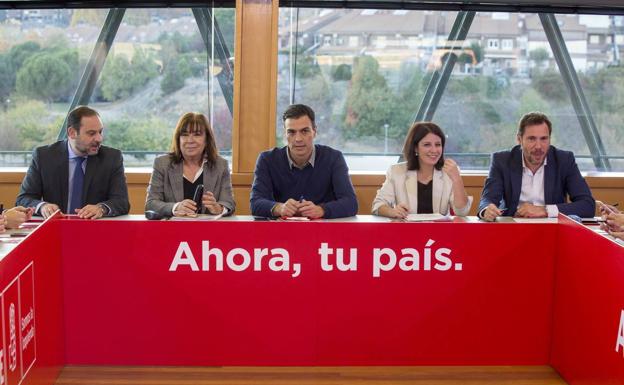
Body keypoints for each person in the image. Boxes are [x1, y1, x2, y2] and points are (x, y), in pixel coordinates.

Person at [15, 105, 130, 219]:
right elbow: (23, 199)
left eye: (100, 132)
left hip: (95, 229)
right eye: (91, 133)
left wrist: (101, 208)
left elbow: (122, 202)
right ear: (71, 132)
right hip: (56, 229)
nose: (99, 138)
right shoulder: (44, 157)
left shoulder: (112, 158)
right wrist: (43, 206)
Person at [478, 112, 594, 221]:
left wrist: (545, 210)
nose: (538, 146)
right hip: (514, 230)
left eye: (544, 139)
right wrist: (487, 210)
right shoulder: (502, 160)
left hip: (553, 232)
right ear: (519, 139)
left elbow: (587, 205)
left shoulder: (564, 160)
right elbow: (488, 199)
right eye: (532, 139)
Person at [250, 104, 358, 219]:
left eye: (304, 131)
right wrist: (279, 208)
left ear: (314, 132)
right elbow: (255, 203)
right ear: (285, 134)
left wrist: (322, 210)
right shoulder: (267, 159)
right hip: (281, 231)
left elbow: (351, 203)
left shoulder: (333, 158)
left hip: (323, 232)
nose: (298, 139)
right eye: (291, 132)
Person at [372, 122, 471, 218]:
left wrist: (457, 179)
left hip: (439, 232)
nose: (434, 150)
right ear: (415, 148)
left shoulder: (449, 172)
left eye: (438, 144)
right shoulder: (396, 171)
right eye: (427, 145)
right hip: (407, 232)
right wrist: (393, 211)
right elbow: (377, 205)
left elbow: (462, 212)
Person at [145, 112, 235, 217]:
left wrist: (218, 208)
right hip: (172, 231)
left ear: (207, 139)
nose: (190, 140)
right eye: (185, 135)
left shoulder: (221, 165)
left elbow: (229, 203)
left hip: (209, 231)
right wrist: (176, 207)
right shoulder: (162, 164)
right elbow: (151, 204)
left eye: (197, 135)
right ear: (178, 139)